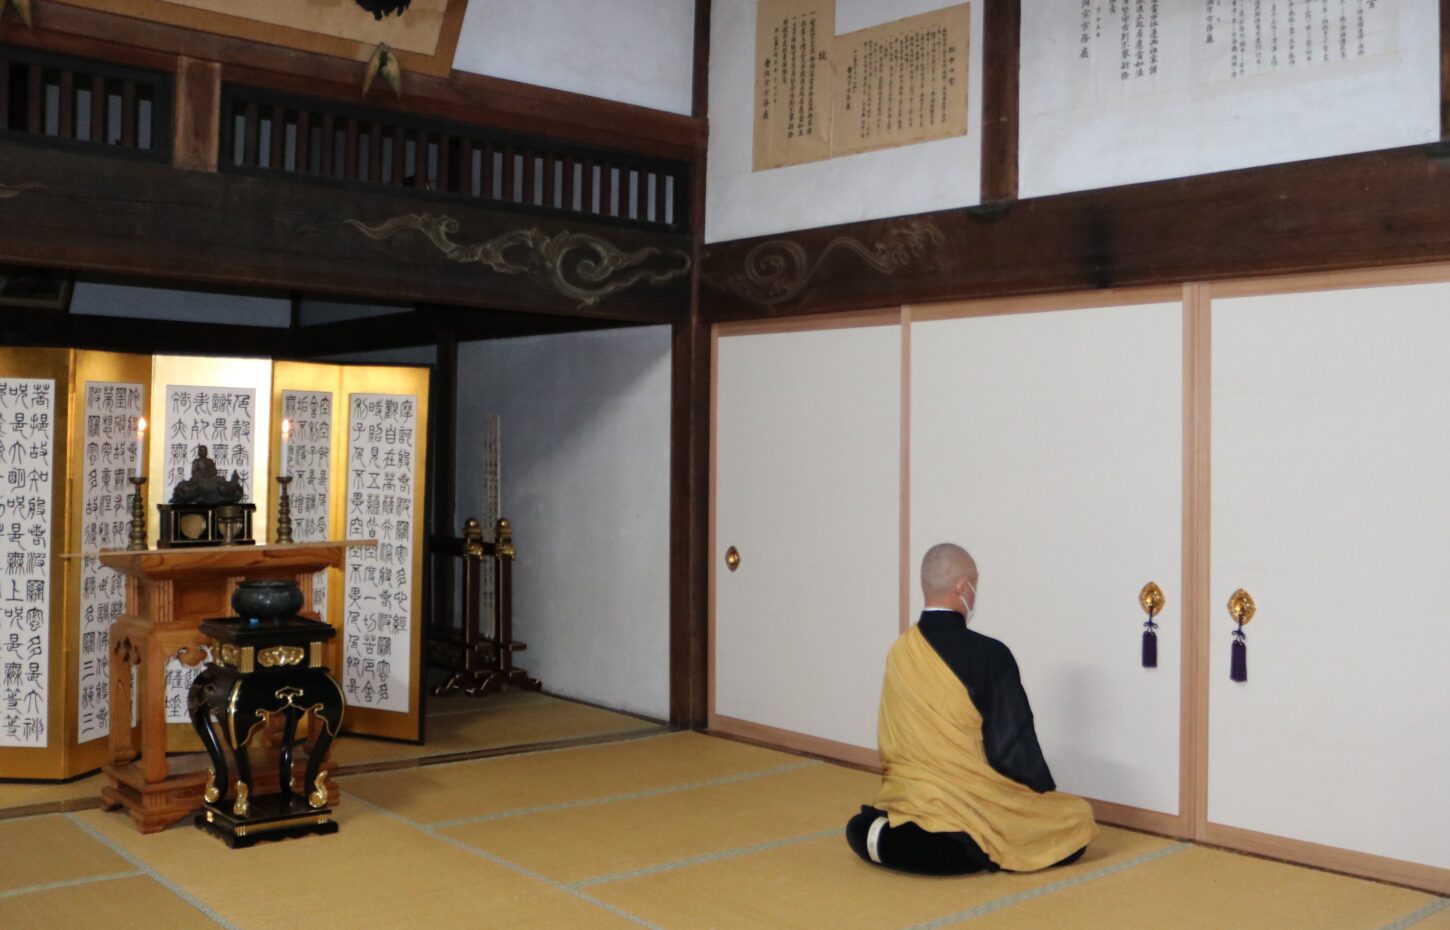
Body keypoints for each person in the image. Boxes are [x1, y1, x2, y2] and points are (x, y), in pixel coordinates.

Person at [845, 543, 1098, 875]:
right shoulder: (991, 655)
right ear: (962, 587)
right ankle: (958, 843)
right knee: (1076, 816)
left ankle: (880, 835)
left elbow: (891, 738)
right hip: (970, 800)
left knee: (860, 826)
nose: (975, 596)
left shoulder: (901, 650)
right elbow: (1011, 747)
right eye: (975, 586)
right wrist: (1038, 791)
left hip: (907, 795)